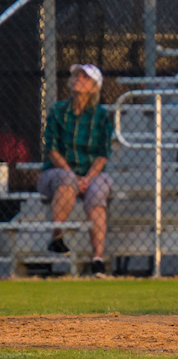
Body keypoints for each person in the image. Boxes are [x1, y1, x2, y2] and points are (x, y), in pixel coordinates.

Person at [38, 64, 114, 277]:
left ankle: (97, 259)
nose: (78, 79)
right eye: (76, 75)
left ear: (94, 88)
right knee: (66, 179)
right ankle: (57, 237)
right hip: (55, 172)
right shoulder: (58, 110)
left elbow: (103, 154)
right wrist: (73, 175)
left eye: (84, 77)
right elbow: (51, 149)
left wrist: (88, 178)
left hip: (91, 175)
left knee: (98, 190)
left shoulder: (100, 116)